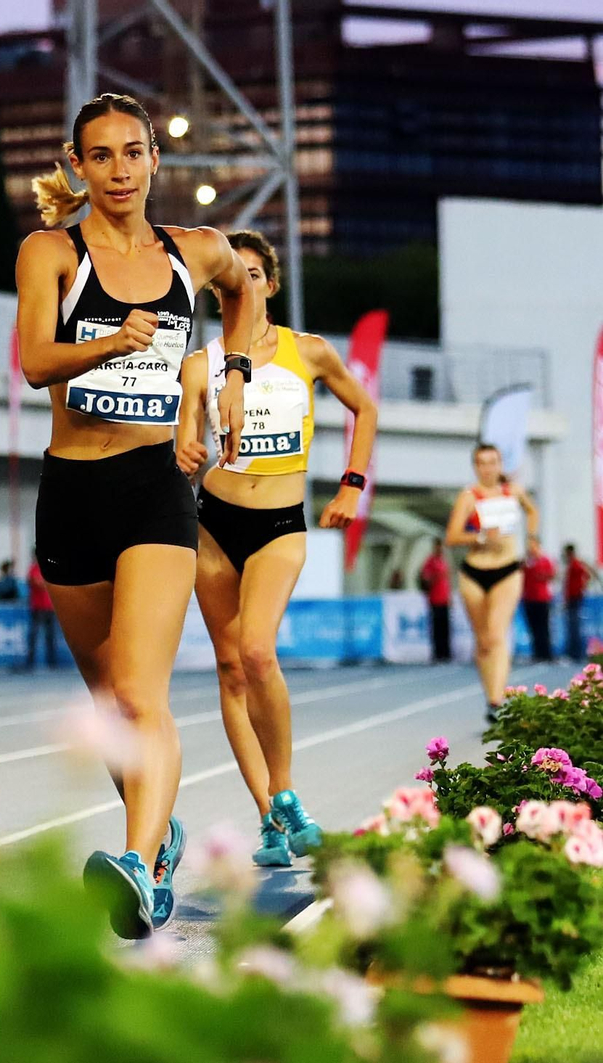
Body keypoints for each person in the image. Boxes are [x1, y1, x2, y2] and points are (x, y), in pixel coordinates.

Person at [17, 92, 260, 938]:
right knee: (111, 712)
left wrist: (231, 376)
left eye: (133, 152)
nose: (119, 169)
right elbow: (34, 362)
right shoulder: (51, 251)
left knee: (139, 690)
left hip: (156, 487)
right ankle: (155, 842)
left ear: (157, 159)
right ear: (77, 165)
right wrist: (109, 342)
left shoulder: (198, 251)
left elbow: (246, 296)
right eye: (102, 155)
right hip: (71, 491)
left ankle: (136, 865)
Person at [176, 229, 377, 870]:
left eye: (257, 273)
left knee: (258, 651)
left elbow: (364, 410)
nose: (247, 284)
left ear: (272, 282)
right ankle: (267, 818)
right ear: (219, 289)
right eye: (236, 275)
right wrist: (186, 451)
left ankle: (285, 793)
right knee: (231, 669)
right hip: (213, 523)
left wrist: (352, 484)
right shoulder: (200, 365)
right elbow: (185, 440)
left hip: (280, 523)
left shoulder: (309, 352)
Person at [444, 444, 540, 722]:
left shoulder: (514, 491)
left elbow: (532, 512)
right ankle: (491, 698)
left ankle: (497, 701)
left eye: (492, 462)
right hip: (474, 571)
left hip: (508, 571)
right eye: (482, 463)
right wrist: (483, 537)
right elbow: (452, 537)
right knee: (484, 640)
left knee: (497, 634)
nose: (488, 468)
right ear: (476, 466)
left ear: (500, 465)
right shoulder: (469, 496)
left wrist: (533, 539)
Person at [418, 539, 453, 663]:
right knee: (436, 628)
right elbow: (425, 578)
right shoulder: (430, 561)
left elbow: (448, 581)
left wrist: (449, 597)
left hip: (444, 598)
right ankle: (437, 654)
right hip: (434, 599)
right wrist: (435, 577)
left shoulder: (444, 561)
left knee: (446, 628)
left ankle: (446, 654)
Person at [564, 544, 598, 661]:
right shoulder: (573, 564)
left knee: (575, 626)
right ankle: (575, 653)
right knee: (573, 626)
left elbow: (589, 574)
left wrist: (582, 587)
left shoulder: (576, 564)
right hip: (573, 598)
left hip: (575, 598)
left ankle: (576, 654)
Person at [522, 544, 556, 663]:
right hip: (529, 599)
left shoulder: (545, 560)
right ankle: (537, 653)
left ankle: (546, 653)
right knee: (533, 628)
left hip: (542, 599)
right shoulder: (526, 562)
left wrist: (540, 575)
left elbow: (552, 575)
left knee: (544, 627)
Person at [26, 555, 58, 670]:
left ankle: (52, 662)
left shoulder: (50, 566)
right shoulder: (34, 568)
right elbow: (37, 583)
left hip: (49, 606)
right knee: (34, 635)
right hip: (38, 607)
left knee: (50, 636)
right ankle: (30, 662)